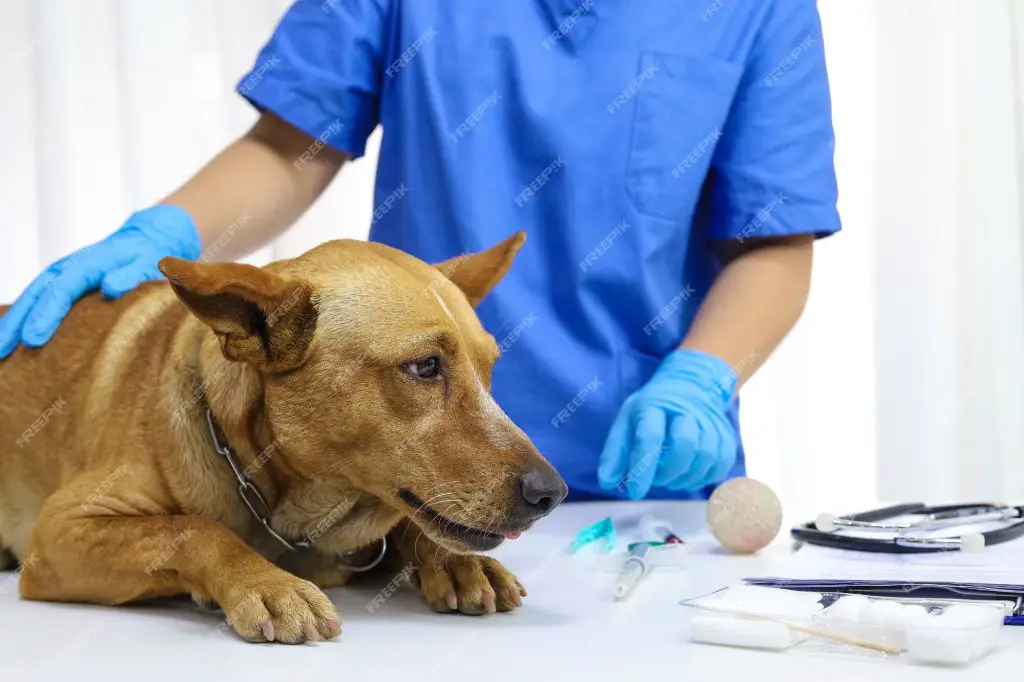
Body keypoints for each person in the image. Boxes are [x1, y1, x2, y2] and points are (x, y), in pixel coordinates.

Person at [0, 0, 839, 502]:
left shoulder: (759, 8)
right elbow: (294, 144)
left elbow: (774, 240)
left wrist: (702, 378)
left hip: (639, 474)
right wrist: (167, 233)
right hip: (398, 479)